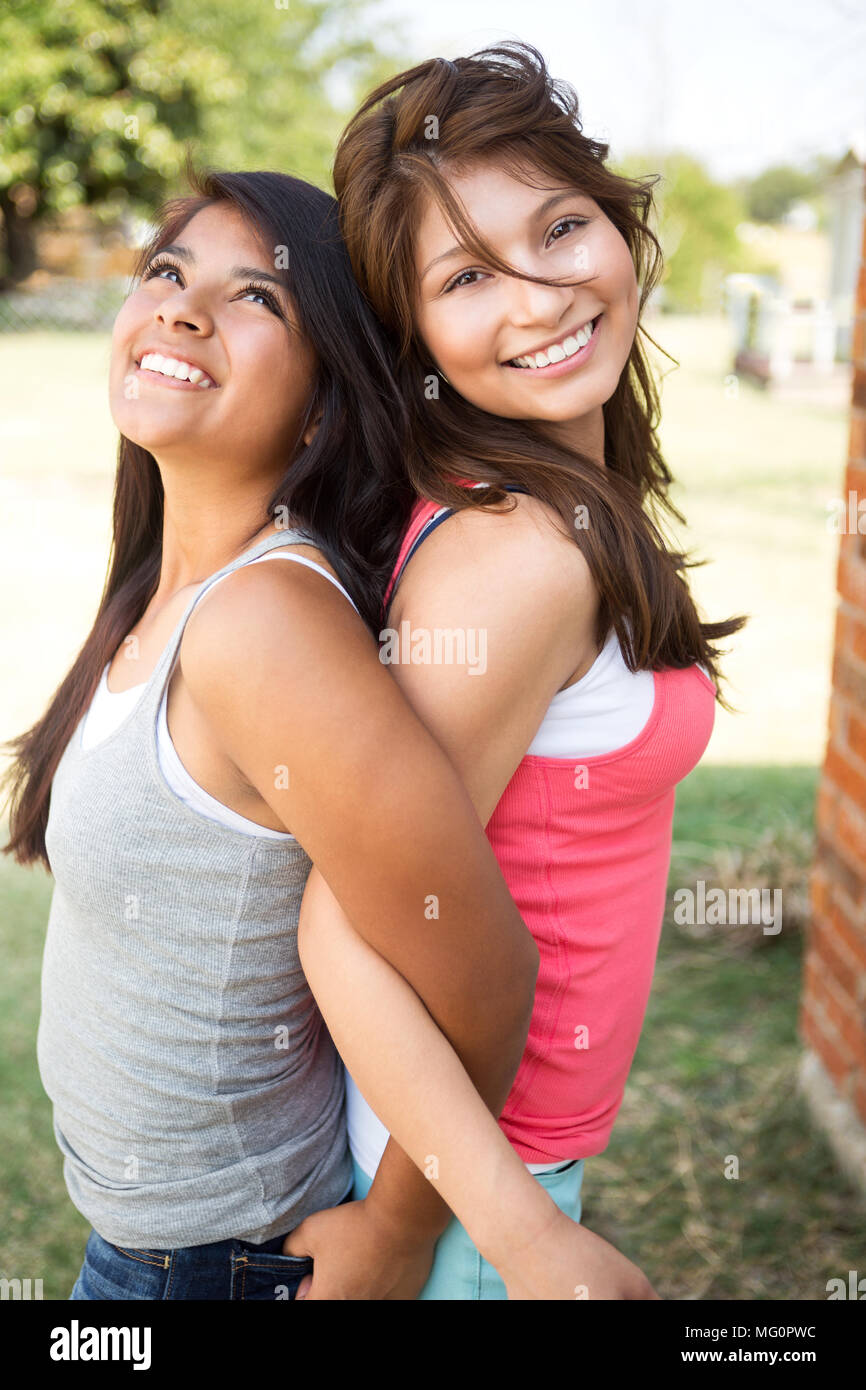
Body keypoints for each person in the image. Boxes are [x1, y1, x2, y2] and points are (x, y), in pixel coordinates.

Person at [3, 166, 644, 1300]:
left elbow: (482, 965)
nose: (180, 308)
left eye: (257, 298)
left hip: (220, 1263)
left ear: (323, 400)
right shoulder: (168, 586)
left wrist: (399, 1229)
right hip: (152, 1239)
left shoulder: (264, 623)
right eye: (165, 269)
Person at [281, 41, 747, 1300]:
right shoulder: (514, 555)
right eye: (467, 277)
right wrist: (522, 1236)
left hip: (493, 1160)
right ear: (413, 328)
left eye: (559, 226)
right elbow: (343, 919)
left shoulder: (563, 496)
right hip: (470, 1184)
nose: (540, 296)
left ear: (618, 224)